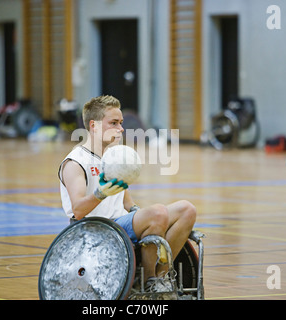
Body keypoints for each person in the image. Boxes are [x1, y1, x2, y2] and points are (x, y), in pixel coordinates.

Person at [58, 95, 197, 292]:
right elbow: (78, 210)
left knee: (186, 210)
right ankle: (148, 281)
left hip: (120, 224)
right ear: (94, 125)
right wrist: (100, 194)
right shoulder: (75, 162)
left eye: (121, 123)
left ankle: (161, 276)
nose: (121, 129)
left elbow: (127, 203)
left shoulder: (113, 156)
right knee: (157, 212)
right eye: (113, 123)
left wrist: (141, 214)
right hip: (95, 229)